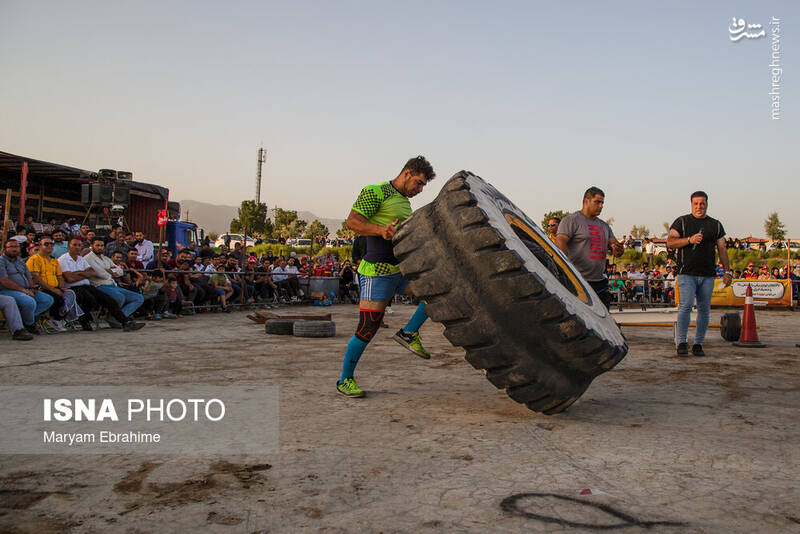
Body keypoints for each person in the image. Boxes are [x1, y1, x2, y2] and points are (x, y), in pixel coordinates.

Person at [336, 155, 436, 398]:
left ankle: (408, 332)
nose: (420, 190)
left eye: (423, 186)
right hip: (377, 271)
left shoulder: (403, 202)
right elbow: (353, 222)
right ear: (407, 173)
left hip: (400, 269)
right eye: (419, 183)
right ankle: (344, 380)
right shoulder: (375, 191)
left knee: (436, 292)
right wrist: (381, 230)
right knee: (368, 327)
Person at [666, 191, 731, 357]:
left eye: (702, 203)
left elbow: (722, 249)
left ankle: (698, 344)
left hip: (708, 274)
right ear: (691, 204)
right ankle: (681, 342)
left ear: (707, 204)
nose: (699, 206)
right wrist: (689, 240)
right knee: (686, 306)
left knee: (704, 309)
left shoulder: (715, 225)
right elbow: (670, 242)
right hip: (686, 272)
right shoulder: (682, 222)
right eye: (696, 203)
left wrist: (727, 271)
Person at [555, 186, 623, 309]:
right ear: (586, 201)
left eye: (602, 202)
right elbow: (560, 241)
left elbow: (616, 247)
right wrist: (566, 268)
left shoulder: (604, 226)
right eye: (597, 202)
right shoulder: (571, 220)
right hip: (578, 281)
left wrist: (617, 249)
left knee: (604, 322)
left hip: (600, 283)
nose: (601, 206)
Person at [83, 237, 145, 326]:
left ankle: (115, 317)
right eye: (97, 245)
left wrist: (109, 270)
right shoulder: (88, 259)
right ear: (92, 246)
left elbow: (120, 271)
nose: (100, 247)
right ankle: (119, 318)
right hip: (99, 286)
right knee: (120, 298)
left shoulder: (105, 258)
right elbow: (101, 274)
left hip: (112, 285)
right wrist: (110, 271)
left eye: (101, 245)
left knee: (138, 298)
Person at [26, 236, 83, 329]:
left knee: (73, 295)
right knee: (57, 298)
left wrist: (61, 287)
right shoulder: (34, 259)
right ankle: (54, 320)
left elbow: (59, 276)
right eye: (46, 244)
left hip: (54, 288)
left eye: (51, 244)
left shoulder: (54, 260)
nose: (50, 246)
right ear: (40, 246)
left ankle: (62, 319)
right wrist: (53, 289)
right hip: (42, 288)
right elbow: (35, 278)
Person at [0, 239, 54, 334]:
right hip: (8, 290)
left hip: (26, 289)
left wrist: (32, 287)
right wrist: (24, 290)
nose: (15, 249)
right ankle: (29, 324)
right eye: (11, 247)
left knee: (48, 299)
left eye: (16, 247)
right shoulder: (1, 261)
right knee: (29, 302)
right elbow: (4, 281)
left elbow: (28, 277)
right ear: (4, 249)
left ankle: (21, 319)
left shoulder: (20, 261)